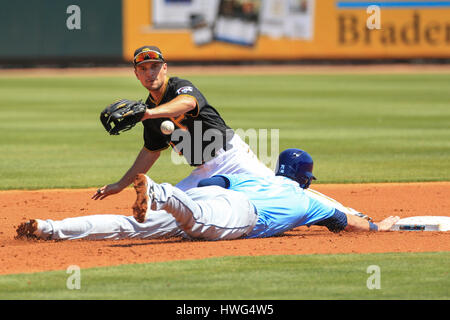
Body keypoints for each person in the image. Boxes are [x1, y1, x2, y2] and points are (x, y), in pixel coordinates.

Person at [16, 149, 399, 241]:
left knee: (130, 226)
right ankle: (159, 191)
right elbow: (348, 223)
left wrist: (196, 197)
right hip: (240, 216)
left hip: (214, 198)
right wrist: (381, 226)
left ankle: (48, 228)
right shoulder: (311, 201)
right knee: (200, 223)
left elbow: (214, 186)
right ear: (306, 179)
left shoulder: (257, 178)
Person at [93, 45, 273, 201]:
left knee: (278, 193)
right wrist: (120, 185)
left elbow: (188, 102)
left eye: (155, 66)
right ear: (136, 74)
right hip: (203, 170)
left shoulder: (178, 86)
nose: (150, 73)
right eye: (143, 69)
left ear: (164, 68)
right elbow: (150, 153)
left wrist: (149, 113)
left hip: (233, 158)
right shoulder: (148, 111)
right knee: (166, 210)